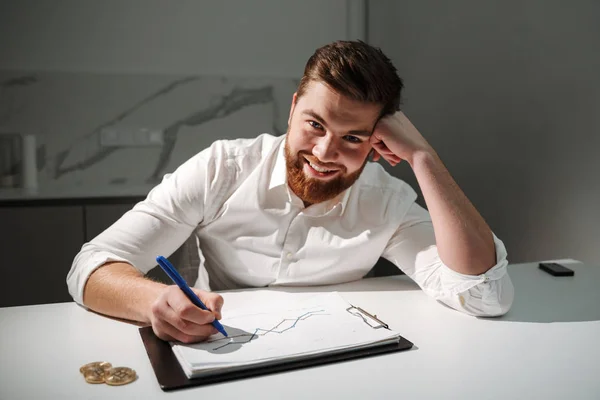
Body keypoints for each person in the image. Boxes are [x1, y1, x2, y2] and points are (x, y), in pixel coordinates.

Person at [67, 40, 513, 344]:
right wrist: (155, 303)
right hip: (223, 357)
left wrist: (423, 159)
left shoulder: (386, 201)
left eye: (353, 138)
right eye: (315, 125)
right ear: (294, 107)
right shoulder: (222, 168)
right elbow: (90, 266)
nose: (324, 152)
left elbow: (484, 295)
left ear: (378, 141)